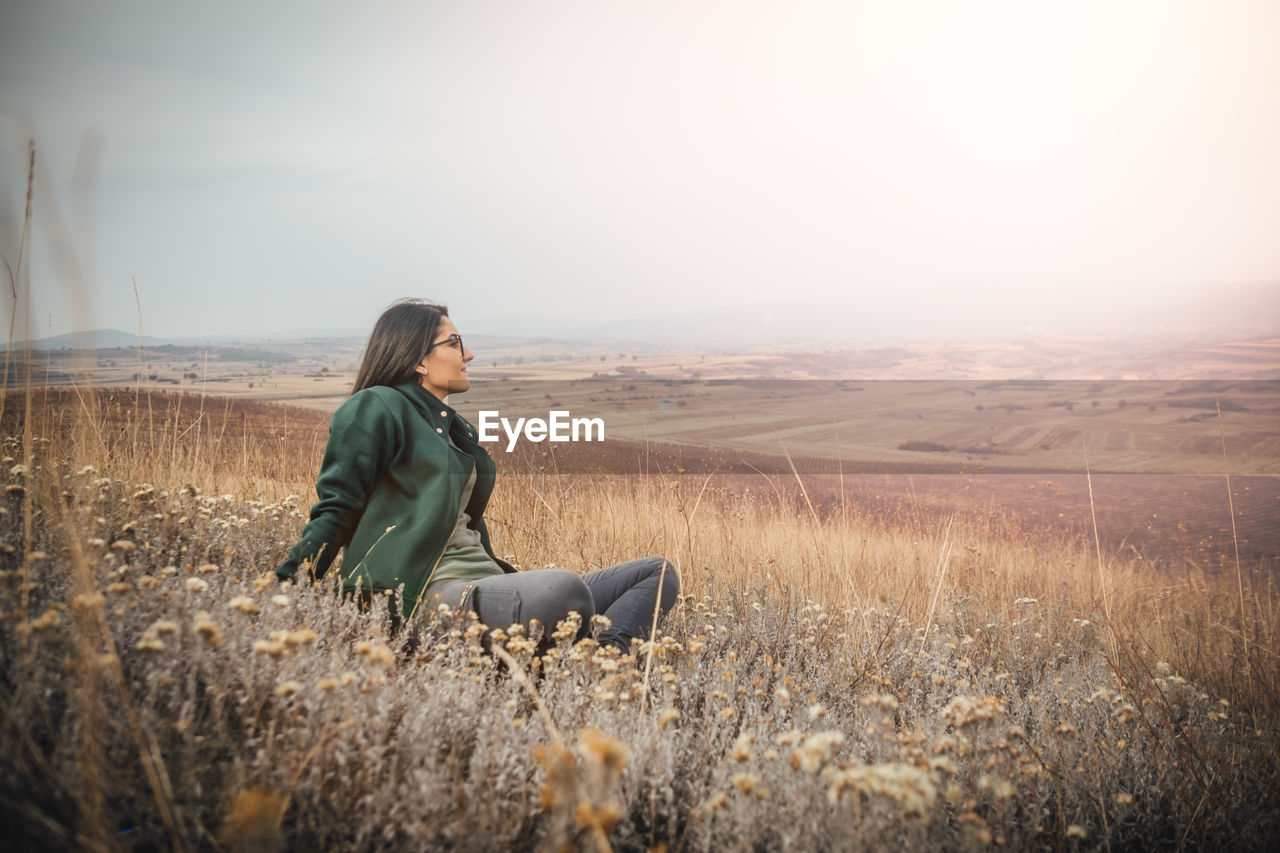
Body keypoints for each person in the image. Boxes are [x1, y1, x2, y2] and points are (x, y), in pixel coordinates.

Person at [276, 299, 678, 654]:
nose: (468, 354)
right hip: (424, 595)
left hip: (485, 588)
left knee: (656, 573)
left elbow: (467, 528)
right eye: (454, 343)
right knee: (564, 591)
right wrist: (283, 591)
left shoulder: (455, 431)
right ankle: (578, 652)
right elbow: (337, 508)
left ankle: (605, 662)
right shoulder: (376, 406)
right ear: (418, 359)